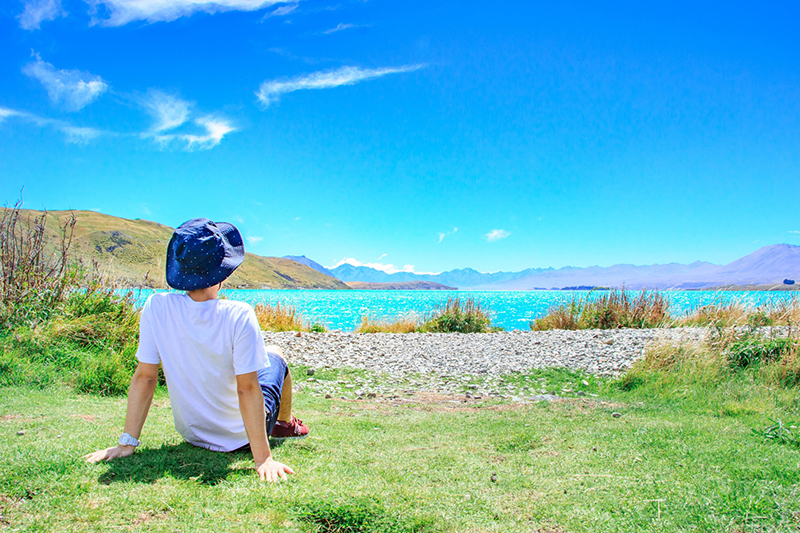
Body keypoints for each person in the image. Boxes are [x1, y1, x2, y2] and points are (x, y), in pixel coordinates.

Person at [84, 218, 309, 482]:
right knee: (276, 353)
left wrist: (126, 443)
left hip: (193, 434)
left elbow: (145, 377)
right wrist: (263, 459)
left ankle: (284, 423)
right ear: (222, 270)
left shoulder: (156, 307)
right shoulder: (239, 314)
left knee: (261, 362)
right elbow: (247, 388)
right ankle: (284, 424)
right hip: (241, 438)